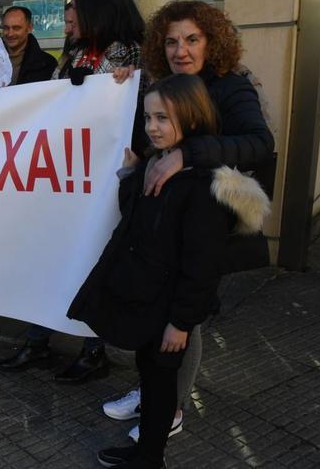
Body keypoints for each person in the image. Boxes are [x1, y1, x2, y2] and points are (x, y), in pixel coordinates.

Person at [68, 73, 269, 469]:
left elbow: (202, 266)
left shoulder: (204, 186)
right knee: (151, 376)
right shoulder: (157, 164)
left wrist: (180, 322)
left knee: (161, 383)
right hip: (146, 297)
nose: (152, 127)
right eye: (148, 118)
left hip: (167, 307)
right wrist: (131, 174)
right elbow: (138, 214)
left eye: (163, 118)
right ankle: (147, 452)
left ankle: (151, 456)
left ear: (192, 118)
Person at [103, 0, 276, 448]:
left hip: (206, 217)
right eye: (172, 41)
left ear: (212, 41)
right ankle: (154, 394)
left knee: (186, 316)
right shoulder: (169, 83)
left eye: (192, 39)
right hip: (167, 216)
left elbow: (259, 142)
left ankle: (172, 408)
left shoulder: (232, 86)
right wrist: (122, 84)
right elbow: (149, 131)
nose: (181, 49)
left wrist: (187, 154)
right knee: (163, 308)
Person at [0, 0, 146, 383]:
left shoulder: (132, 55)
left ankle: (92, 349)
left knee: (91, 259)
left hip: (102, 182)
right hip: (62, 177)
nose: (67, 21)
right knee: (49, 259)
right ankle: (37, 339)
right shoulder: (75, 53)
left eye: (75, 10)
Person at [0, 6, 58, 85]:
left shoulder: (47, 64)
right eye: (6, 28)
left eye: (16, 28)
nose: (10, 34)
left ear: (29, 28)